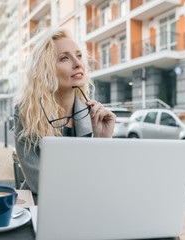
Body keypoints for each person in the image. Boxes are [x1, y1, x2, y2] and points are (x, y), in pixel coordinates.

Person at [14, 27, 116, 195]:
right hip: (42, 207)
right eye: (64, 58)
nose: (77, 63)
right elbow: (39, 182)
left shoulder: (92, 113)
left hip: (86, 203)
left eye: (79, 55)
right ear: (46, 70)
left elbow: (103, 176)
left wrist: (103, 140)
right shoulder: (28, 113)